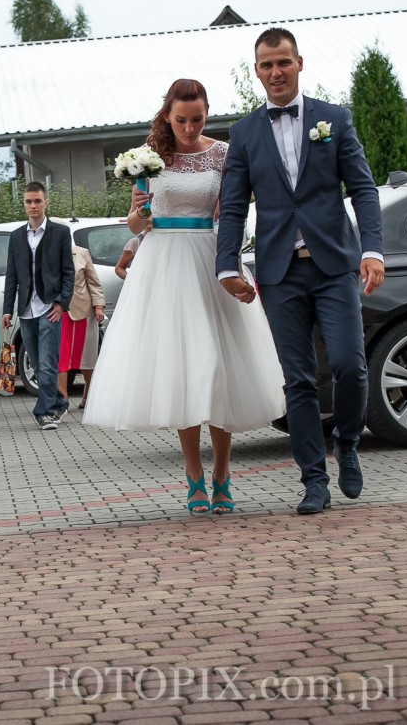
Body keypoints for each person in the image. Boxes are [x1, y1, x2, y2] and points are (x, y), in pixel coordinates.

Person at [86, 78, 285, 515]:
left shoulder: (222, 154)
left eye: (197, 119)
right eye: (181, 120)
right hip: (164, 266)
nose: (190, 128)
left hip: (210, 258)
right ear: (167, 116)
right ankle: (194, 473)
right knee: (182, 369)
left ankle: (223, 473)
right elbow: (137, 226)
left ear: (206, 114)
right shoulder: (149, 158)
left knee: (218, 367)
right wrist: (139, 210)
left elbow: (236, 212)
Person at [217, 28, 384, 516]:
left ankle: (348, 443)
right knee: (299, 381)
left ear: (299, 63)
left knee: (351, 365)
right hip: (279, 272)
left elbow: (365, 190)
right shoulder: (244, 133)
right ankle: (314, 480)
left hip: (334, 267)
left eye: (283, 63)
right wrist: (227, 263)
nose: (275, 72)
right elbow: (231, 206)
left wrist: (372, 250)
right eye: (266, 65)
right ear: (257, 71)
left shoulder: (334, 119)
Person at [2, 182, 73, 431]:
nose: (33, 206)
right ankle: (59, 401)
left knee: (46, 362)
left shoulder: (61, 232)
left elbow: (68, 272)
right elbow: (12, 275)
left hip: (49, 308)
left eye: (37, 201)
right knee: (34, 360)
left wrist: (62, 303)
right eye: (28, 202)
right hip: (26, 309)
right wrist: (8, 310)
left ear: (45, 203)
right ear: (24, 205)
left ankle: (43, 412)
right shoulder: (16, 236)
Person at [58, 244, 105, 410]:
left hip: (83, 310)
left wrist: (99, 306)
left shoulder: (82, 253)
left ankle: (89, 394)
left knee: (87, 357)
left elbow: (94, 282)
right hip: (56, 311)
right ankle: (61, 399)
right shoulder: (46, 252)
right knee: (60, 357)